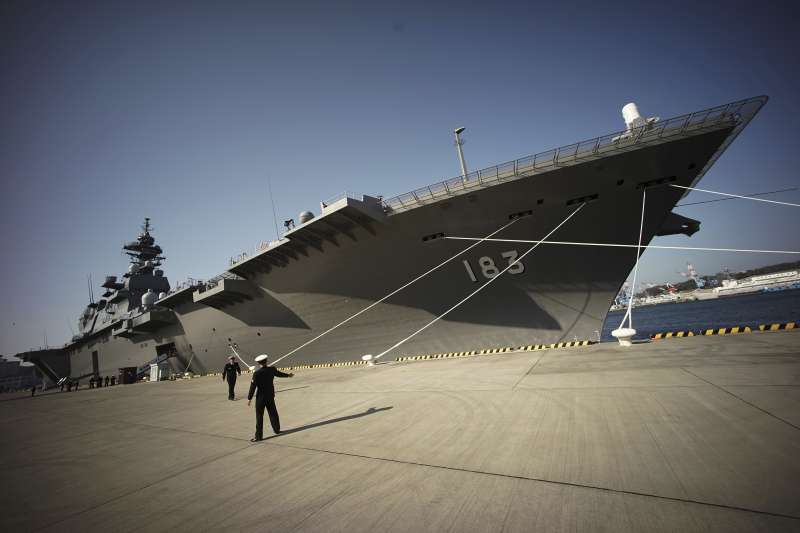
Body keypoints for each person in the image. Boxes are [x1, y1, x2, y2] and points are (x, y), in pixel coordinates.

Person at [247, 354, 293, 441]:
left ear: (258, 363)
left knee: (259, 416)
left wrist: (249, 398)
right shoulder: (272, 369)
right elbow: (279, 374)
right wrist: (288, 375)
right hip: (270, 395)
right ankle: (277, 429)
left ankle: (258, 436)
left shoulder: (257, 373)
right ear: (266, 361)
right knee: (273, 413)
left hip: (261, 397)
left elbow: (253, 387)